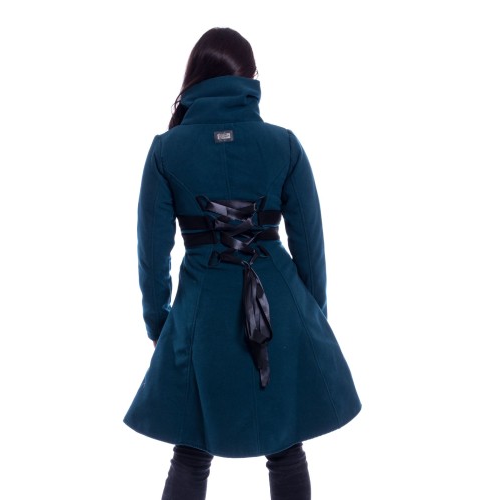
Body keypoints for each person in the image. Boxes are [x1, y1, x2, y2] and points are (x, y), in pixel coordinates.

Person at [123, 27, 361, 500]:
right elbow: (310, 245)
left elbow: (152, 256)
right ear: (251, 77)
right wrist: (310, 319)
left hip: (200, 317)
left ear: (194, 77)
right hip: (281, 312)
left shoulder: (166, 150)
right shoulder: (284, 145)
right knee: (287, 448)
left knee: (191, 450)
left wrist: (159, 324)